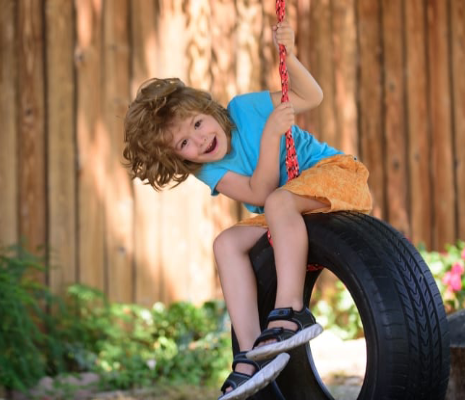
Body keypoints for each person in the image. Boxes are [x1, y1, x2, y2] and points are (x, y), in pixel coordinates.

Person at [123, 20, 372, 400]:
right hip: (284, 204)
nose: (201, 140)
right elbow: (261, 189)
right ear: (177, 158)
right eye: (184, 143)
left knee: (278, 202)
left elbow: (311, 97)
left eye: (198, 123)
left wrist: (289, 54)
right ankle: (252, 353)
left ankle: (290, 310)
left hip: (332, 177)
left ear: (210, 109)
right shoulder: (209, 170)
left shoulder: (246, 108)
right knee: (226, 242)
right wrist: (273, 135)